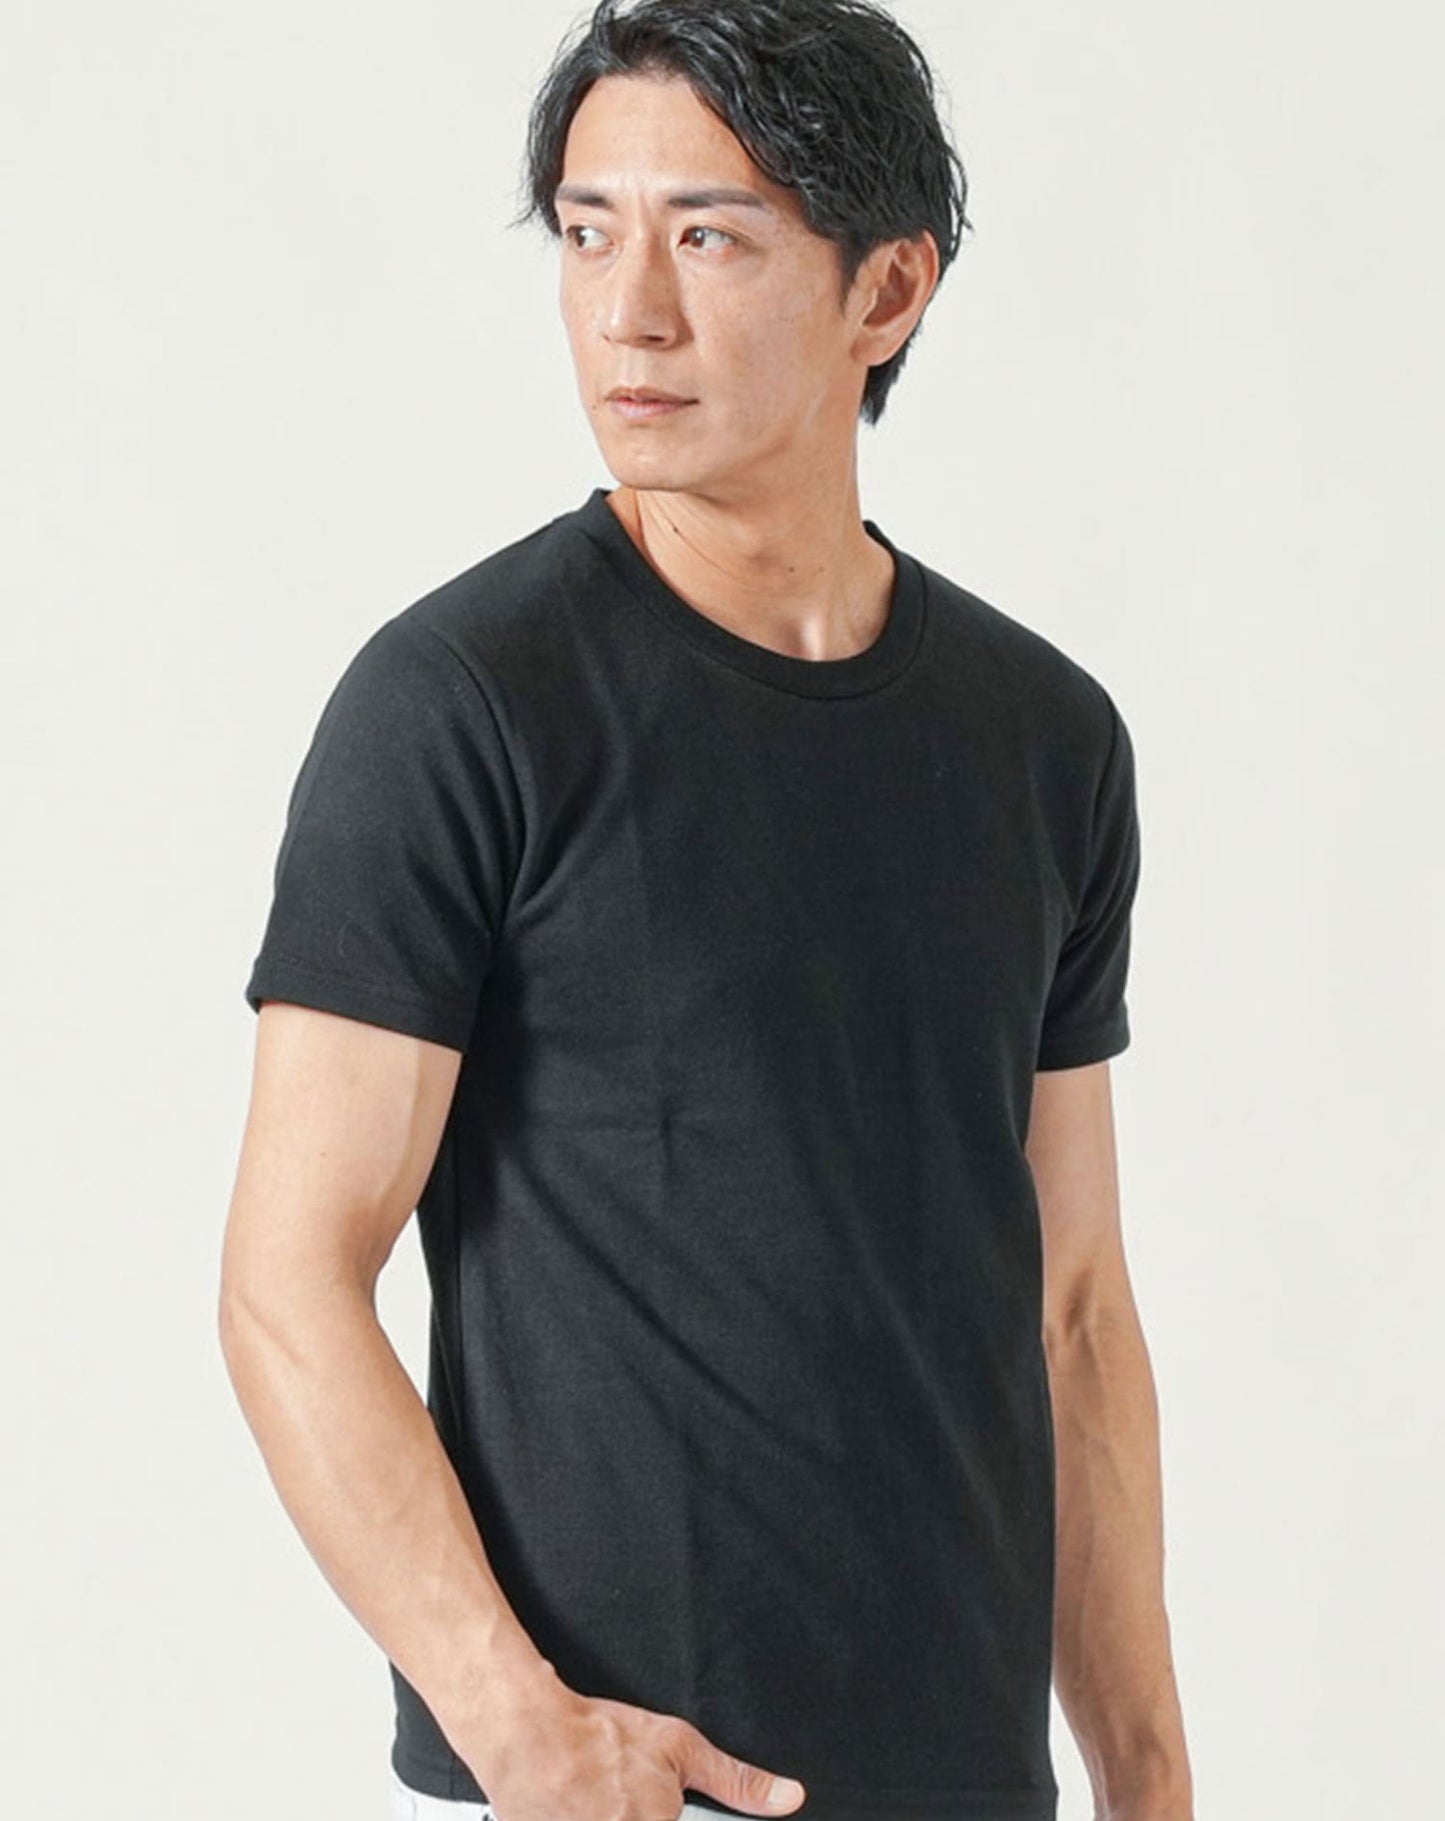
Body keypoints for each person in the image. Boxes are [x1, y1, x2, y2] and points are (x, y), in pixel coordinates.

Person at [221, 4, 1195, 1821]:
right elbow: (290, 1276)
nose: (628, 311)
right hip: (624, 1785)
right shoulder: (462, 703)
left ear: (886, 289)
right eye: (589, 232)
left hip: (962, 1775)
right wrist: (521, 1727)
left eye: (711, 238)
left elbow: (1071, 1306)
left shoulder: (1043, 738)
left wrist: (1146, 1777)